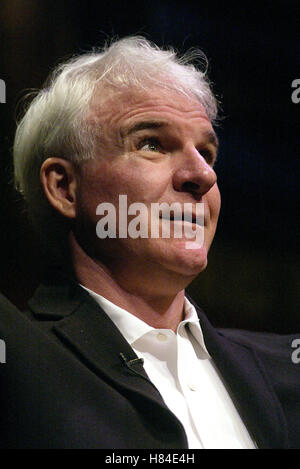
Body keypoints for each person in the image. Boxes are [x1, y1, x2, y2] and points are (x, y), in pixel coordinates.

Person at [0, 36, 299, 449]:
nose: (204, 175)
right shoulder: (17, 361)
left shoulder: (288, 370)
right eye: (152, 144)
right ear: (65, 187)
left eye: (207, 153)